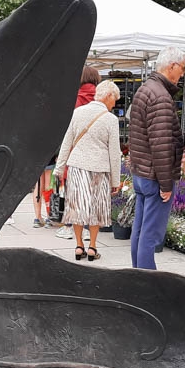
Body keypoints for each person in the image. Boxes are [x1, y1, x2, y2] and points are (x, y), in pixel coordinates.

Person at [128, 46, 185, 269]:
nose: (182, 74)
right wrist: (166, 184)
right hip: (154, 176)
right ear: (172, 66)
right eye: (181, 68)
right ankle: (147, 282)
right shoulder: (161, 97)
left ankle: (138, 275)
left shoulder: (145, 89)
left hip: (142, 173)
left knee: (140, 230)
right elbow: (161, 144)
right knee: (150, 234)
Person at [54, 80, 122, 262]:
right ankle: (92, 247)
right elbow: (114, 153)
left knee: (77, 208)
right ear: (108, 96)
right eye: (114, 99)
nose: (114, 104)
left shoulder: (77, 113)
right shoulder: (110, 119)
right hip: (100, 169)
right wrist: (116, 181)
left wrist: (59, 168)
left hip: (77, 167)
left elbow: (67, 142)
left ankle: (78, 246)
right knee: (96, 210)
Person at [51, 66, 104, 234]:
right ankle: (90, 227)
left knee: (73, 190)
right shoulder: (102, 98)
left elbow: (65, 129)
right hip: (97, 152)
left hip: (76, 152)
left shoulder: (73, 99)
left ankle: (70, 227)